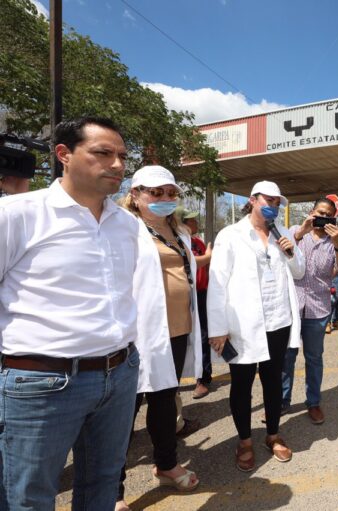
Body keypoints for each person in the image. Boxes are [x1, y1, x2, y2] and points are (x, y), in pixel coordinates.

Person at [0, 117, 141, 510]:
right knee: (28, 496)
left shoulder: (126, 224)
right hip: (42, 381)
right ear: (64, 154)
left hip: (119, 373)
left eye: (121, 156)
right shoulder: (17, 214)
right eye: (103, 153)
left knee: (102, 483)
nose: (117, 165)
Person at [117, 166, 203, 508]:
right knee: (124, 411)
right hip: (138, 334)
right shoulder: (124, 229)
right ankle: (113, 486)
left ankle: (166, 463)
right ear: (136, 195)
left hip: (177, 330)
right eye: (156, 192)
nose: (165, 199)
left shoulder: (177, 231)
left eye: (171, 193)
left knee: (165, 402)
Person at [207, 180, 304, 471]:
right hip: (243, 325)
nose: (273, 206)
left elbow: (298, 272)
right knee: (242, 385)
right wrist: (217, 328)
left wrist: (291, 252)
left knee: (274, 383)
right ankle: (245, 440)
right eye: (269, 200)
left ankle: (273, 435)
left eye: (277, 202)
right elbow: (218, 282)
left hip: (278, 321)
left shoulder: (284, 233)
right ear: (252, 199)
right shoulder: (231, 235)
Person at [283, 198, 338, 425]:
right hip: (291, 306)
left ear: (334, 218)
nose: (323, 217)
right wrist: (301, 231)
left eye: (328, 215)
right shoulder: (295, 231)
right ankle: (282, 402)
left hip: (318, 308)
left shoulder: (335, 242)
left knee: (314, 358)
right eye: (320, 212)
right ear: (312, 212)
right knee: (286, 357)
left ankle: (313, 402)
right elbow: (279, 253)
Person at [177, 208, 214, 399]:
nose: (196, 224)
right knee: (180, 337)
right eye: (192, 221)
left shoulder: (199, 242)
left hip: (201, 294)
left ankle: (203, 378)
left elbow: (208, 267)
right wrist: (207, 257)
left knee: (203, 336)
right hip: (181, 296)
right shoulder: (175, 242)